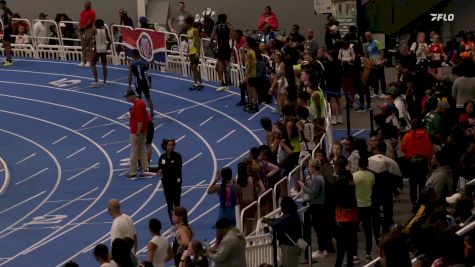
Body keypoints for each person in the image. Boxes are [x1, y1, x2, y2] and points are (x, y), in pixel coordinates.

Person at [298, 159, 331, 259]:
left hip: (317, 207)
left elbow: (313, 193)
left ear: (313, 167)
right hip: (319, 206)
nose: (308, 169)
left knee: (319, 229)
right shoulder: (318, 178)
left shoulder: (317, 179)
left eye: (309, 167)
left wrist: (303, 186)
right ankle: (323, 249)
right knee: (320, 229)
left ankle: (322, 250)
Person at [401, 119, 433, 211]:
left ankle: (414, 203)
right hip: (422, 163)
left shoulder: (407, 135)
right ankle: (422, 203)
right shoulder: (425, 136)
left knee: (413, 184)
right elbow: (429, 150)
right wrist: (429, 160)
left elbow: (403, 148)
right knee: (422, 183)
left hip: (411, 163)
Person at [333, 156, 359, 267]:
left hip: (343, 215)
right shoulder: (350, 177)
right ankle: (350, 263)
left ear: (338, 167)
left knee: (341, 245)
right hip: (353, 214)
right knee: (351, 242)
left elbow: (335, 198)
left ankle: (338, 264)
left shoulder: (338, 181)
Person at [263, 197, 302, 267]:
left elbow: (276, 224)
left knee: (288, 264)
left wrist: (267, 220)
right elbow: (278, 220)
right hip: (293, 245)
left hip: (288, 246)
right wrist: (270, 220)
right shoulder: (293, 214)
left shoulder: (288, 217)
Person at [353, 157, 375, 262]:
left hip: (357, 206)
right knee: (368, 231)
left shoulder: (355, 176)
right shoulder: (371, 176)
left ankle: (355, 256)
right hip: (368, 206)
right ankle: (368, 254)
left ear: (359, 164)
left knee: (354, 232)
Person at [124, 89, 149, 179]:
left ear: (131, 96)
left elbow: (140, 121)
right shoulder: (141, 102)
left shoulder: (137, 105)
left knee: (134, 152)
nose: (127, 100)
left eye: (127, 98)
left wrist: (137, 133)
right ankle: (146, 170)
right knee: (142, 151)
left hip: (137, 132)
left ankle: (133, 172)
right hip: (143, 131)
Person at [156, 139, 183, 220]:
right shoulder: (162, 157)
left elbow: (176, 167)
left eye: (172, 145)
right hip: (166, 183)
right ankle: (173, 222)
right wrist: (158, 171)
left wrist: (163, 170)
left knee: (177, 203)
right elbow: (159, 168)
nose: (171, 146)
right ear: (165, 146)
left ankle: (181, 220)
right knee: (169, 203)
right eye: (169, 145)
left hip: (176, 182)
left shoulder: (177, 156)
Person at [128, 49, 154, 116]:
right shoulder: (144, 63)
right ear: (139, 55)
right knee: (148, 98)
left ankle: (140, 113)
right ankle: (152, 113)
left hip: (137, 84)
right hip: (144, 82)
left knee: (138, 100)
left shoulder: (131, 65)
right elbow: (148, 73)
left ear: (133, 55)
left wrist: (129, 85)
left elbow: (130, 75)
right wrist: (150, 83)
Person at [212, 14, 232, 92]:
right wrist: (232, 47)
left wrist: (214, 47)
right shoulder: (229, 26)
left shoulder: (216, 27)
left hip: (220, 47)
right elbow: (231, 37)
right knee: (227, 64)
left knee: (220, 66)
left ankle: (223, 83)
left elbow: (212, 38)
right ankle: (228, 81)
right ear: (225, 19)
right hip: (227, 47)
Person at [364, 31, 386, 97]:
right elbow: (367, 55)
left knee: (381, 77)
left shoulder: (377, 42)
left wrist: (381, 61)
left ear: (371, 36)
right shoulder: (366, 45)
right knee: (374, 78)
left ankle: (384, 92)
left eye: (369, 36)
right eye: (367, 36)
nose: (368, 37)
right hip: (372, 63)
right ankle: (376, 92)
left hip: (379, 63)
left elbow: (381, 52)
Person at [90, 19, 111, 88]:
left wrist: (87, 44)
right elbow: (109, 40)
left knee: (92, 63)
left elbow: (90, 38)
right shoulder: (105, 30)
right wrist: (107, 48)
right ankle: (104, 81)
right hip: (104, 49)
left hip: (97, 49)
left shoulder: (94, 30)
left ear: (95, 25)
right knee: (104, 65)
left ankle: (96, 80)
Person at [184, 16, 203, 90]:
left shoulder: (194, 31)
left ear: (188, 24)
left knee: (194, 67)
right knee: (193, 68)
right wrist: (187, 54)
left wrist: (198, 53)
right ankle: (196, 83)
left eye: (185, 23)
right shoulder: (188, 31)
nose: (184, 25)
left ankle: (200, 83)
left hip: (195, 52)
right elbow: (189, 43)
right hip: (191, 53)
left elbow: (198, 42)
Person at [244, 36, 259, 113]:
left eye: (245, 42)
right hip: (251, 74)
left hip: (251, 74)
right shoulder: (250, 51)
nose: (244, 43)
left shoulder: (250, 52)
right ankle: (251, 104)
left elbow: (249, 65)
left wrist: (246, 74)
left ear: (248, 43)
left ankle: (255, 106)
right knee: (250, 90)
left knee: (253, 91)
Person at [79, 0, 96, 67]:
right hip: (82, 30)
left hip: (88, 30)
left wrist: (83, 27)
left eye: (86, 4)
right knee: (83, 46)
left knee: (89, 46)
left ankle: (89, 61)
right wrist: (80, 27)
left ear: (90, 5)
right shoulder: (82, 12)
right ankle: (83, 60)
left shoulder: (92, 12)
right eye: (85, 4)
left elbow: (90, 22)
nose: (85, 5)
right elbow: (80, 20)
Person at [0, 0, 13, 66]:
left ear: (4, 4)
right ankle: (8, 59)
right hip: (6, 29)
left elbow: (10, 17)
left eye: (1, 4)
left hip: (7, 30)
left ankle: (9, 60)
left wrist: (7, 25)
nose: (0, 6)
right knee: (6, 44)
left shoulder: (6, 11)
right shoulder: (5, 11)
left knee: (6, 44)